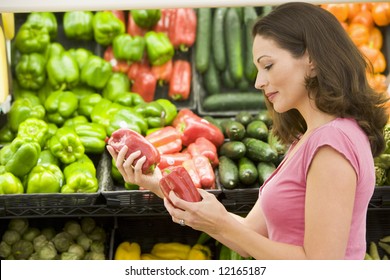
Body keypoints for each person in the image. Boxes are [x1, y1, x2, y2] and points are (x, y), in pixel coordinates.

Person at [107, 2, 389, 260]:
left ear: (312, 60)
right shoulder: (309, 139)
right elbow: (250, 234)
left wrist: (219, 222)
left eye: (267, 65)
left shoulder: (332, 143)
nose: (258, 82)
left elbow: (319, 267)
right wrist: (158, 183)